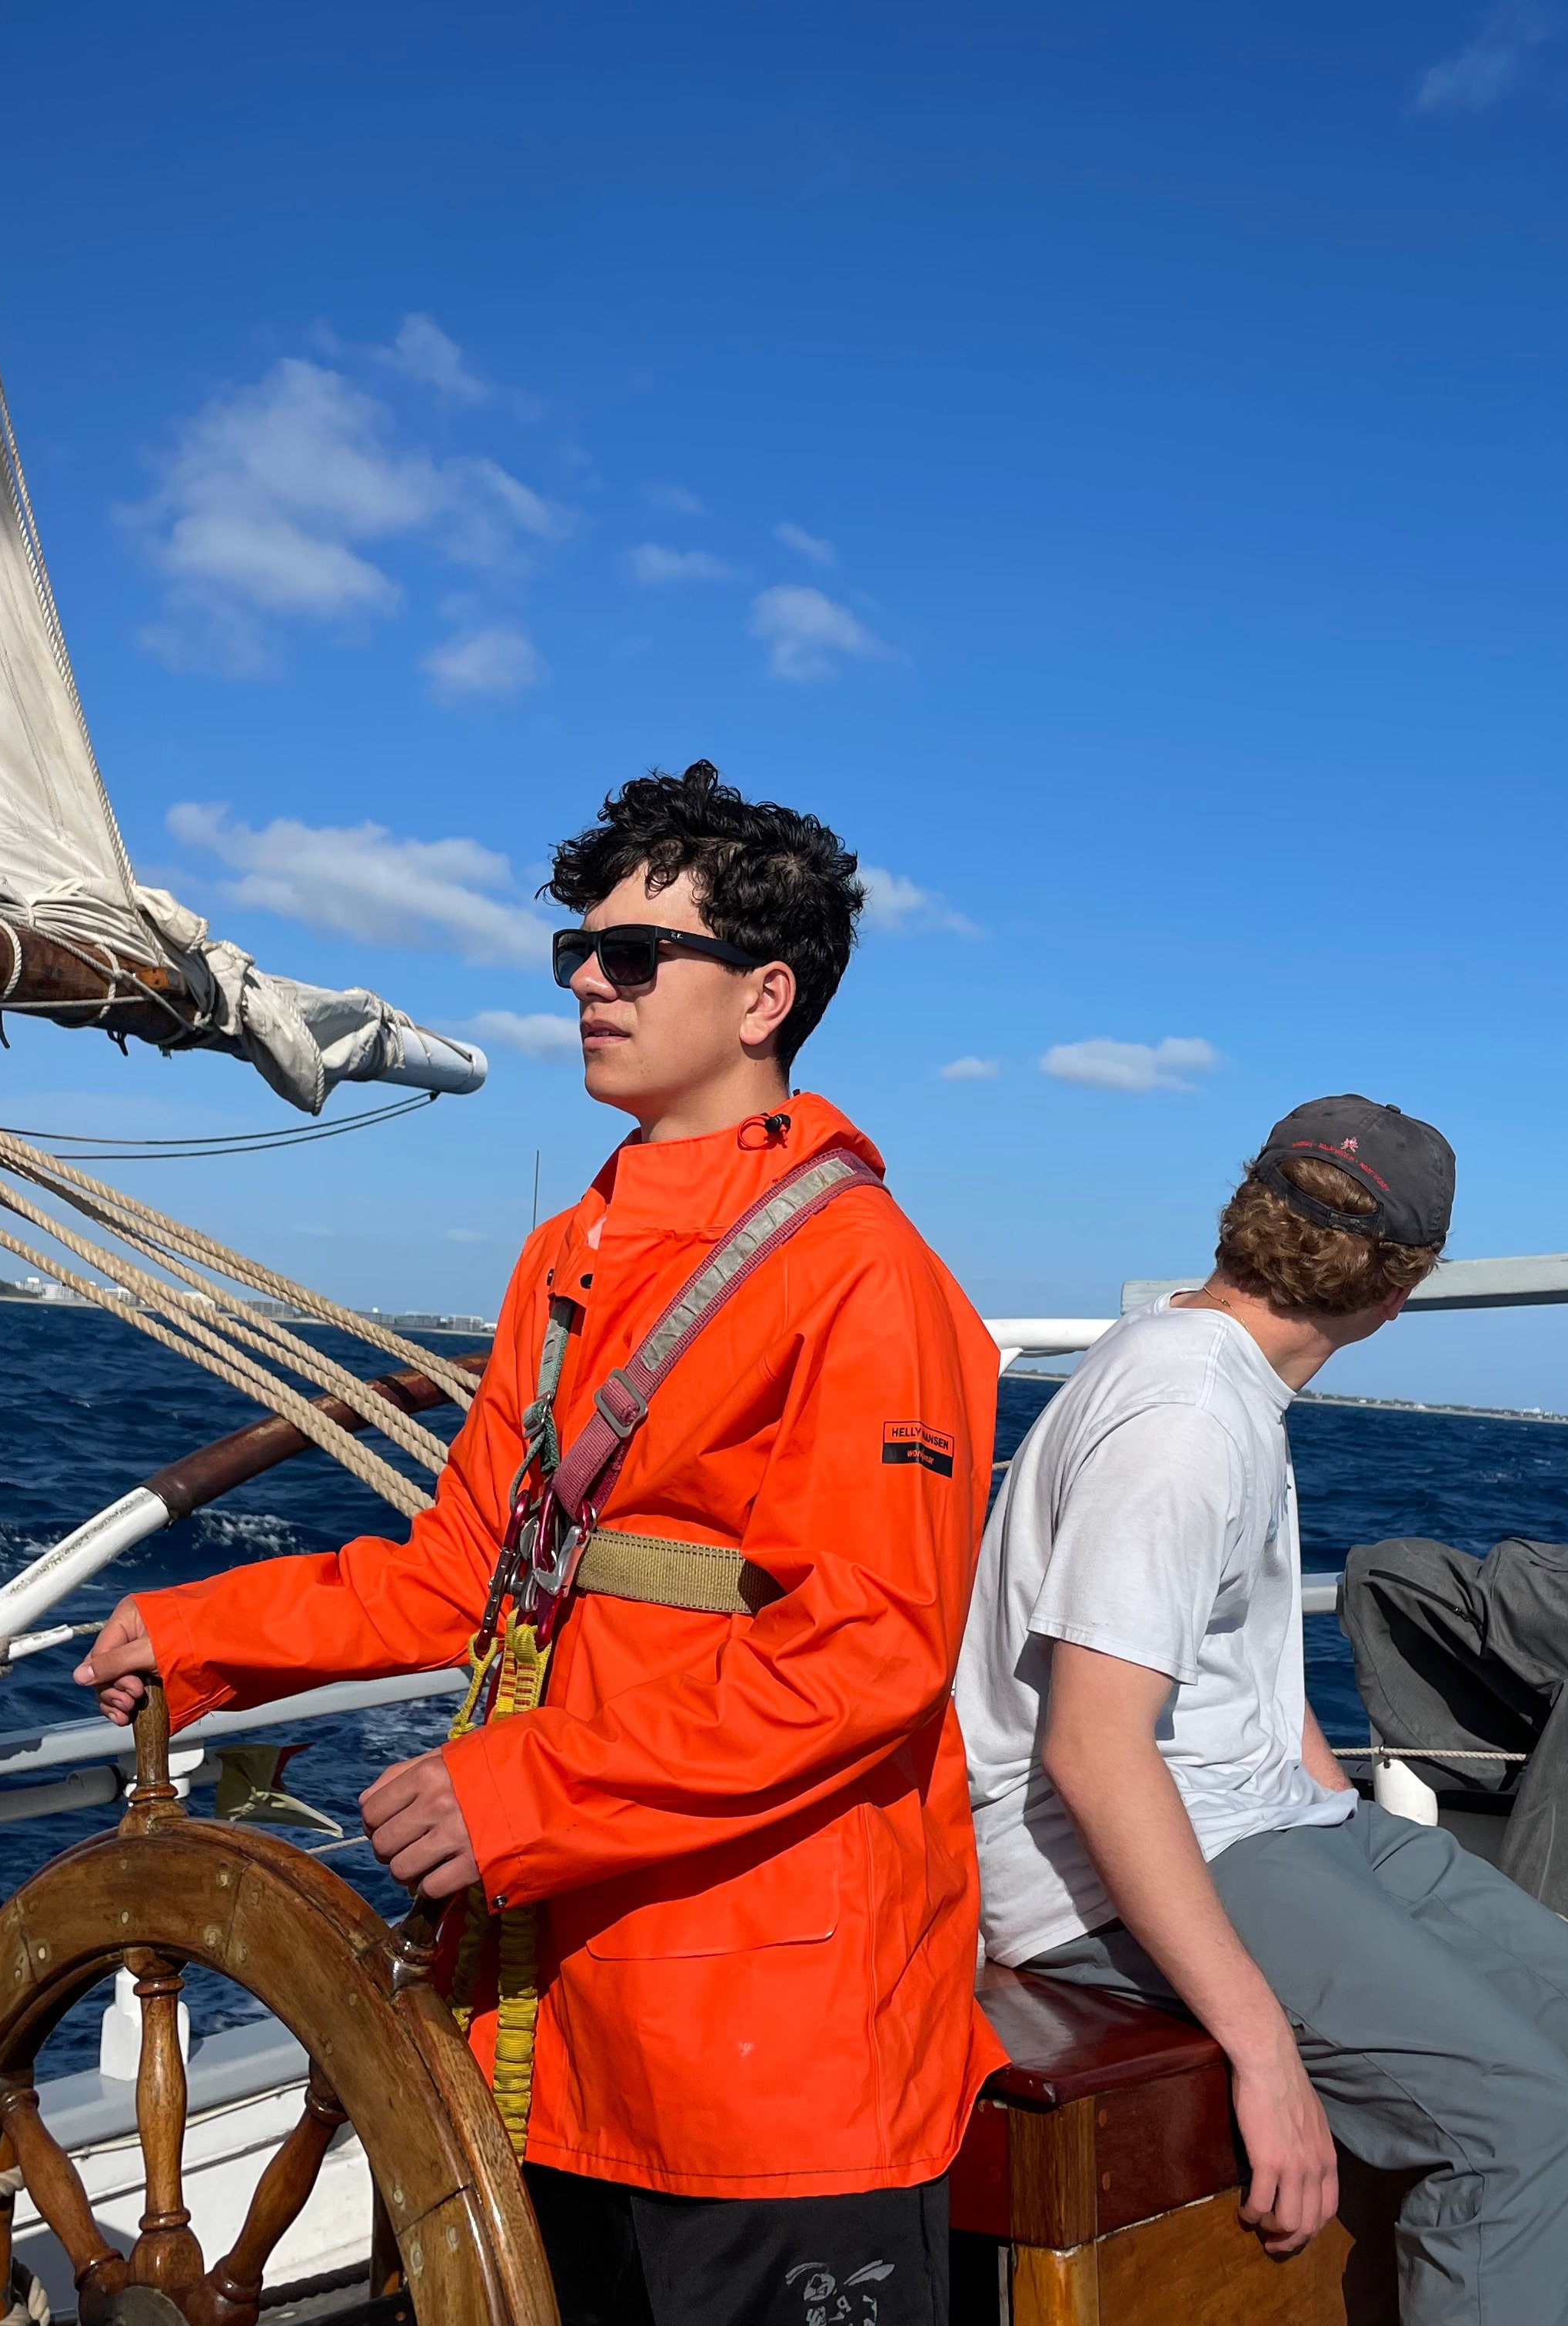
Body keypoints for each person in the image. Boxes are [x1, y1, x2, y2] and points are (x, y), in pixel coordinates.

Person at [77, 763, 1003, 2326]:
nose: (586, 979)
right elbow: (470, 1571)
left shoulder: (872, 1284)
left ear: (765, 992)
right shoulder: (569, 1255)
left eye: (634, 955)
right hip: (542, 2003)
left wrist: (524, 1792)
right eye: (576, 950)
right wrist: (203, 1636)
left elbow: (867, 1657)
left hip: (765, 2048)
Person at [954, 1097, 1568, 2326]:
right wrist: (1263, 2052)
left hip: (1269, 1819)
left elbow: (1228, 1657)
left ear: (1241, 1211)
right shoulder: (1186, 1420)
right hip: (1119, 1857)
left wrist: (1346, 1826)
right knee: (1519, 2126)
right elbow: (1093, 1745)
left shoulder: (1222, 1378)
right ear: (1401, 1293)